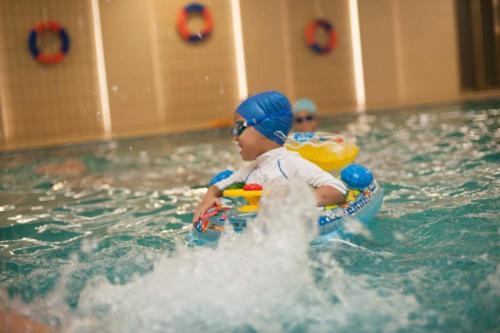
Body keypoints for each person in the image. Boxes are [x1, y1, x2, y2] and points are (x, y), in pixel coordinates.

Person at [193, 91, 346, 222]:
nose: (234, 136)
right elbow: (219, 186)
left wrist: (291, 200)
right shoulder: (249, 170)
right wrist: (208, 196)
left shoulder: (291, 163)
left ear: (265, 129)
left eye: (239, 127)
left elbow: (337, 189)